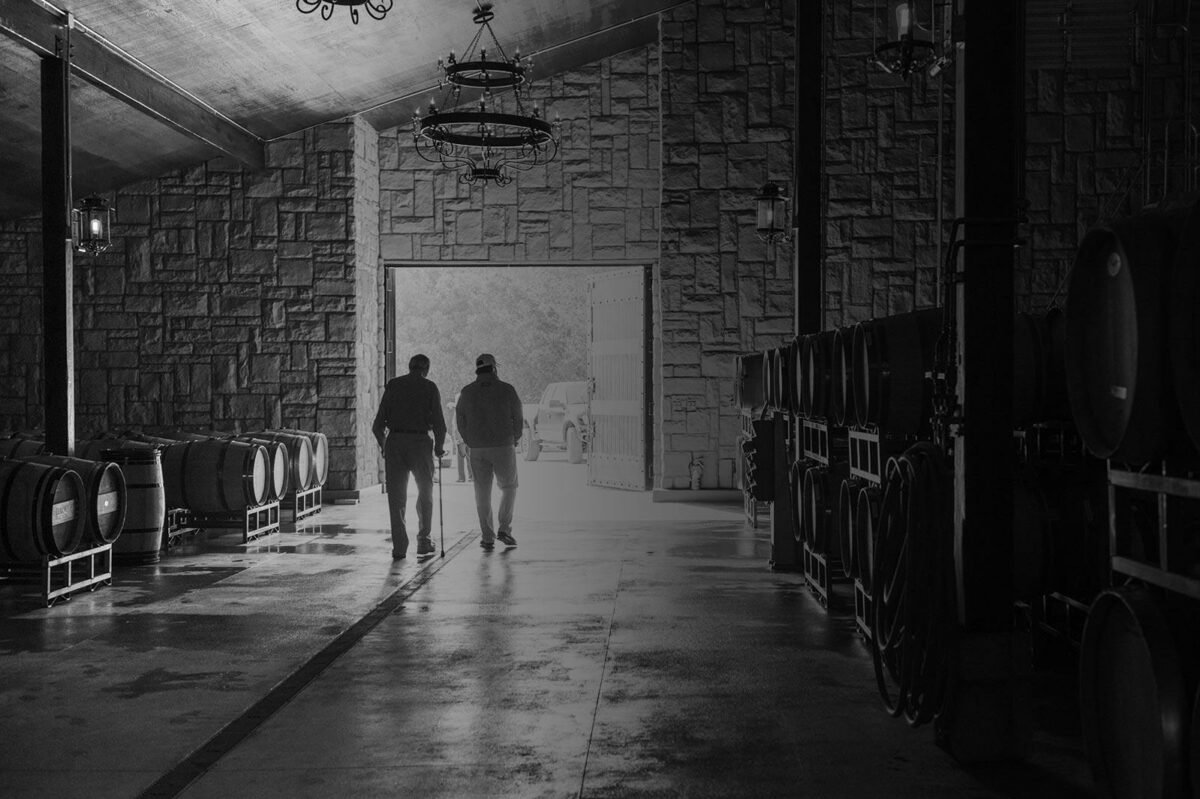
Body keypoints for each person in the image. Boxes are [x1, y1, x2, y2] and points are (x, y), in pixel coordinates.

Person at [372, 354, 447, 560]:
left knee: (396, 497)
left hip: (395, 442)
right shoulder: (429, 387)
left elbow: (377, 426)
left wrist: (385, 446)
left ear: (410, 366)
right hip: (420, 443)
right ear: (426, 369)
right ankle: (423, 541)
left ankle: (399, 547)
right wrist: (439, 447)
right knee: (425, 491)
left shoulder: (393, 385)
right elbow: (439, 423)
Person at [455, 353, 523, 550]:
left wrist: (469, 440)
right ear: (494, 368)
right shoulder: (506, 390)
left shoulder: (467, 392)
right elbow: (517, 417)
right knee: (509, 487)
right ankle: (504, 528)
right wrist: (515, 437)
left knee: (481, 492)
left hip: (477, 448)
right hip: (503, 445)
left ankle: (487, 536)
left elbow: (460, 420)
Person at [447, 391, 473, 483]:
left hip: (461, 436)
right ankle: (470, 476)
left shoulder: (459, 412)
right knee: (468, 456)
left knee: (462, 457)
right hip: (467, 436)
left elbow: (457, 425)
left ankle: (463, 477)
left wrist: (458, 438)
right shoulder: (468, 410)